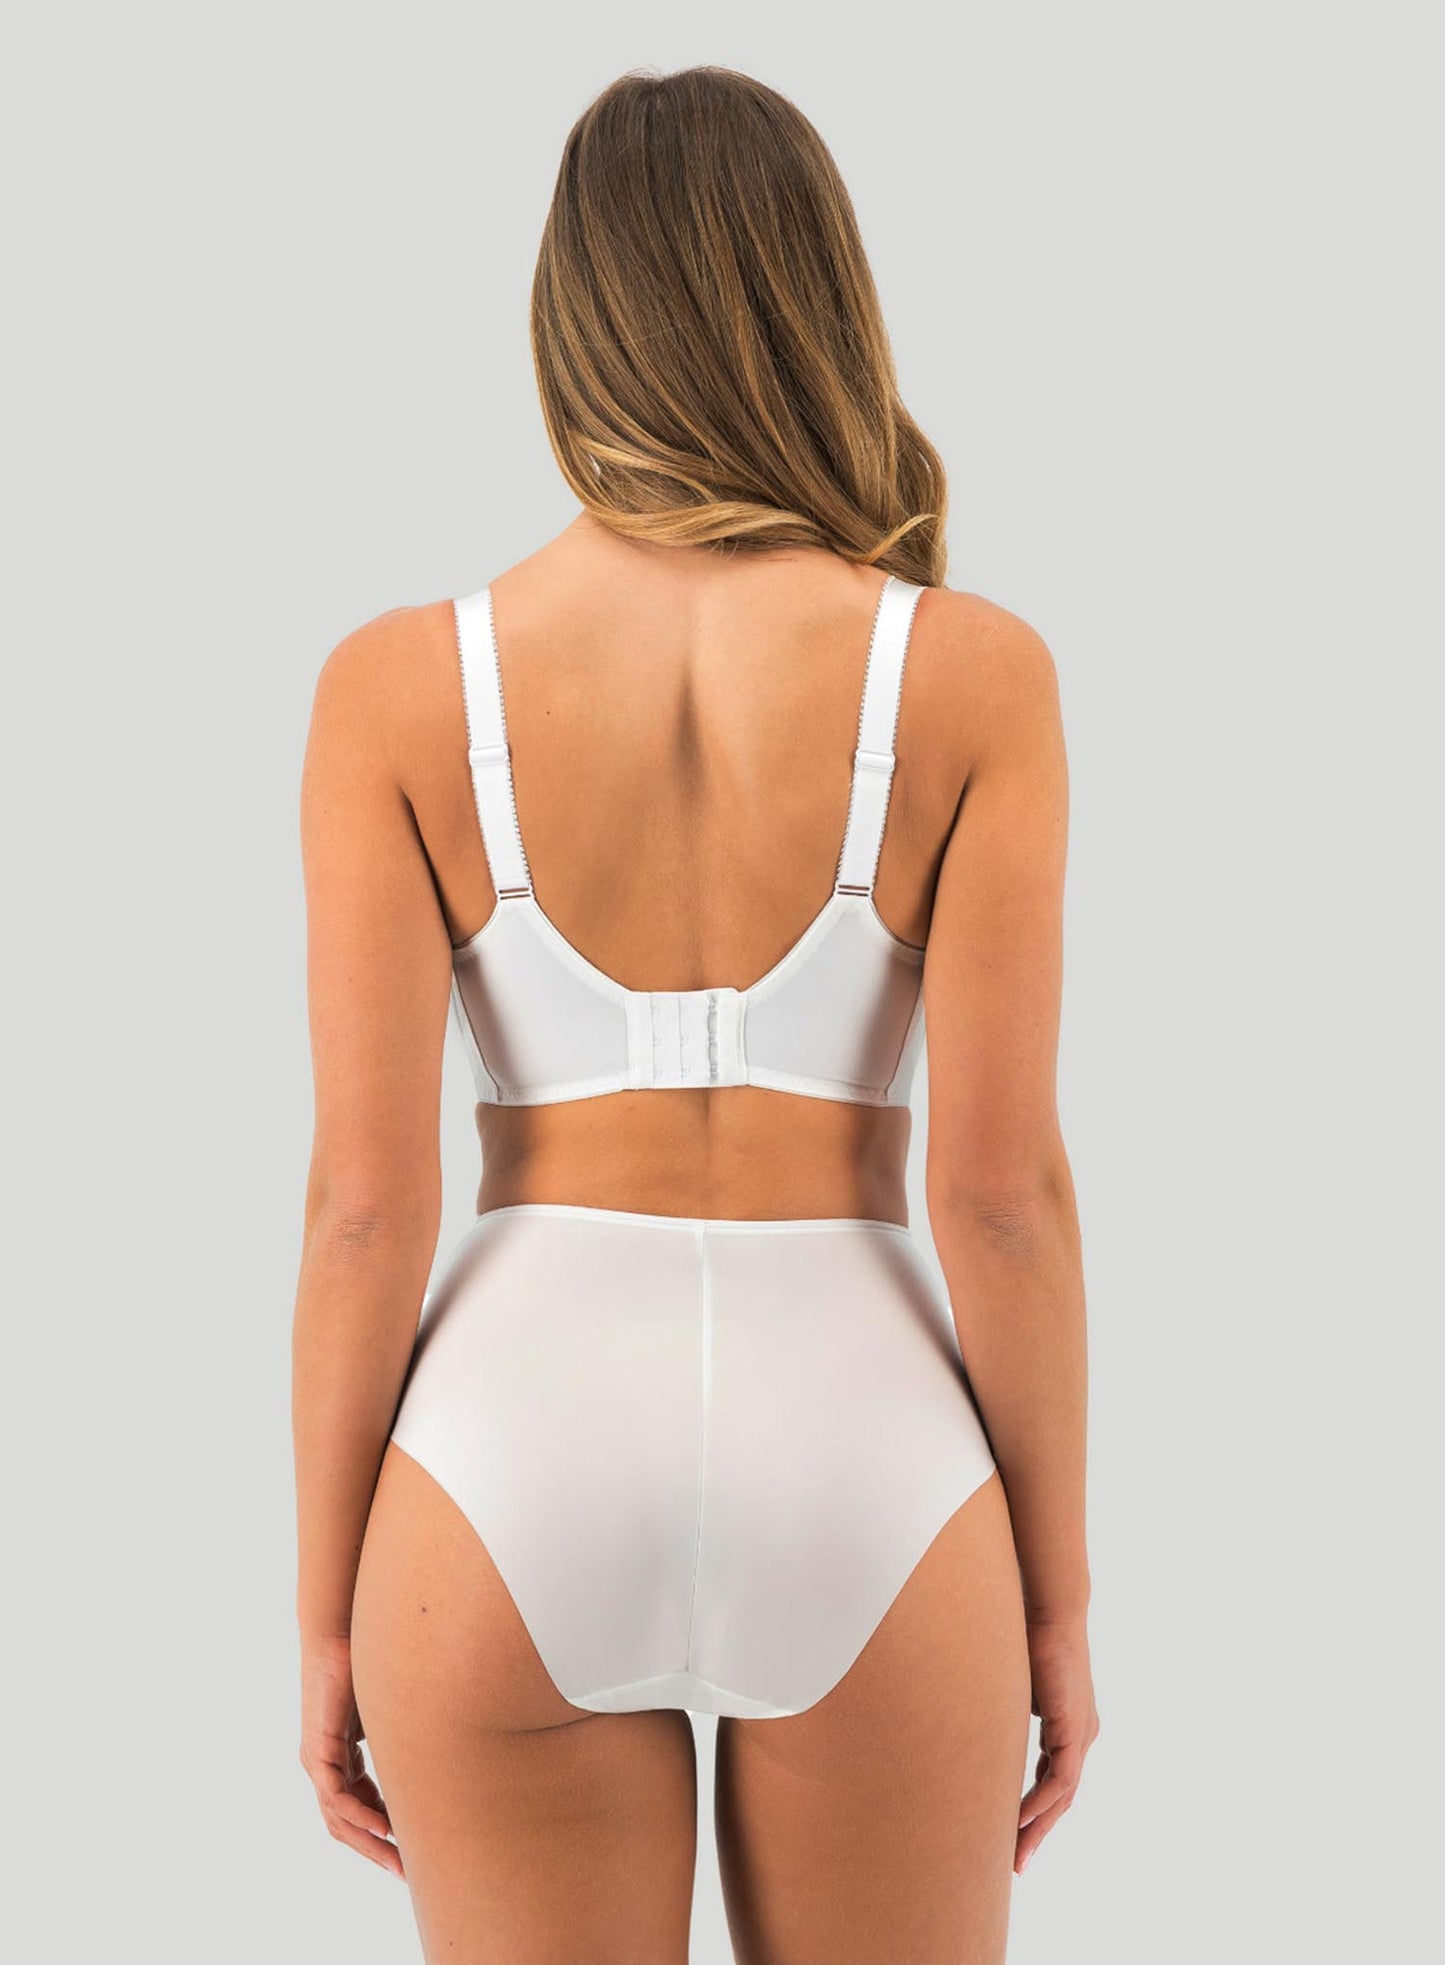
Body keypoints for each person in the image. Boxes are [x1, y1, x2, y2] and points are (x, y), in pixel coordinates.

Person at [292, 64, 1097, 1964]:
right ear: (819, 304)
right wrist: (1056, 1599)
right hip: (867, 1458)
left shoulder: (397, 689)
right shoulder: (970, 674)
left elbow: (363, 1208)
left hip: (509, 1459)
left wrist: (327, 1613)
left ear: (569, 326)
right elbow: (999, 1198)